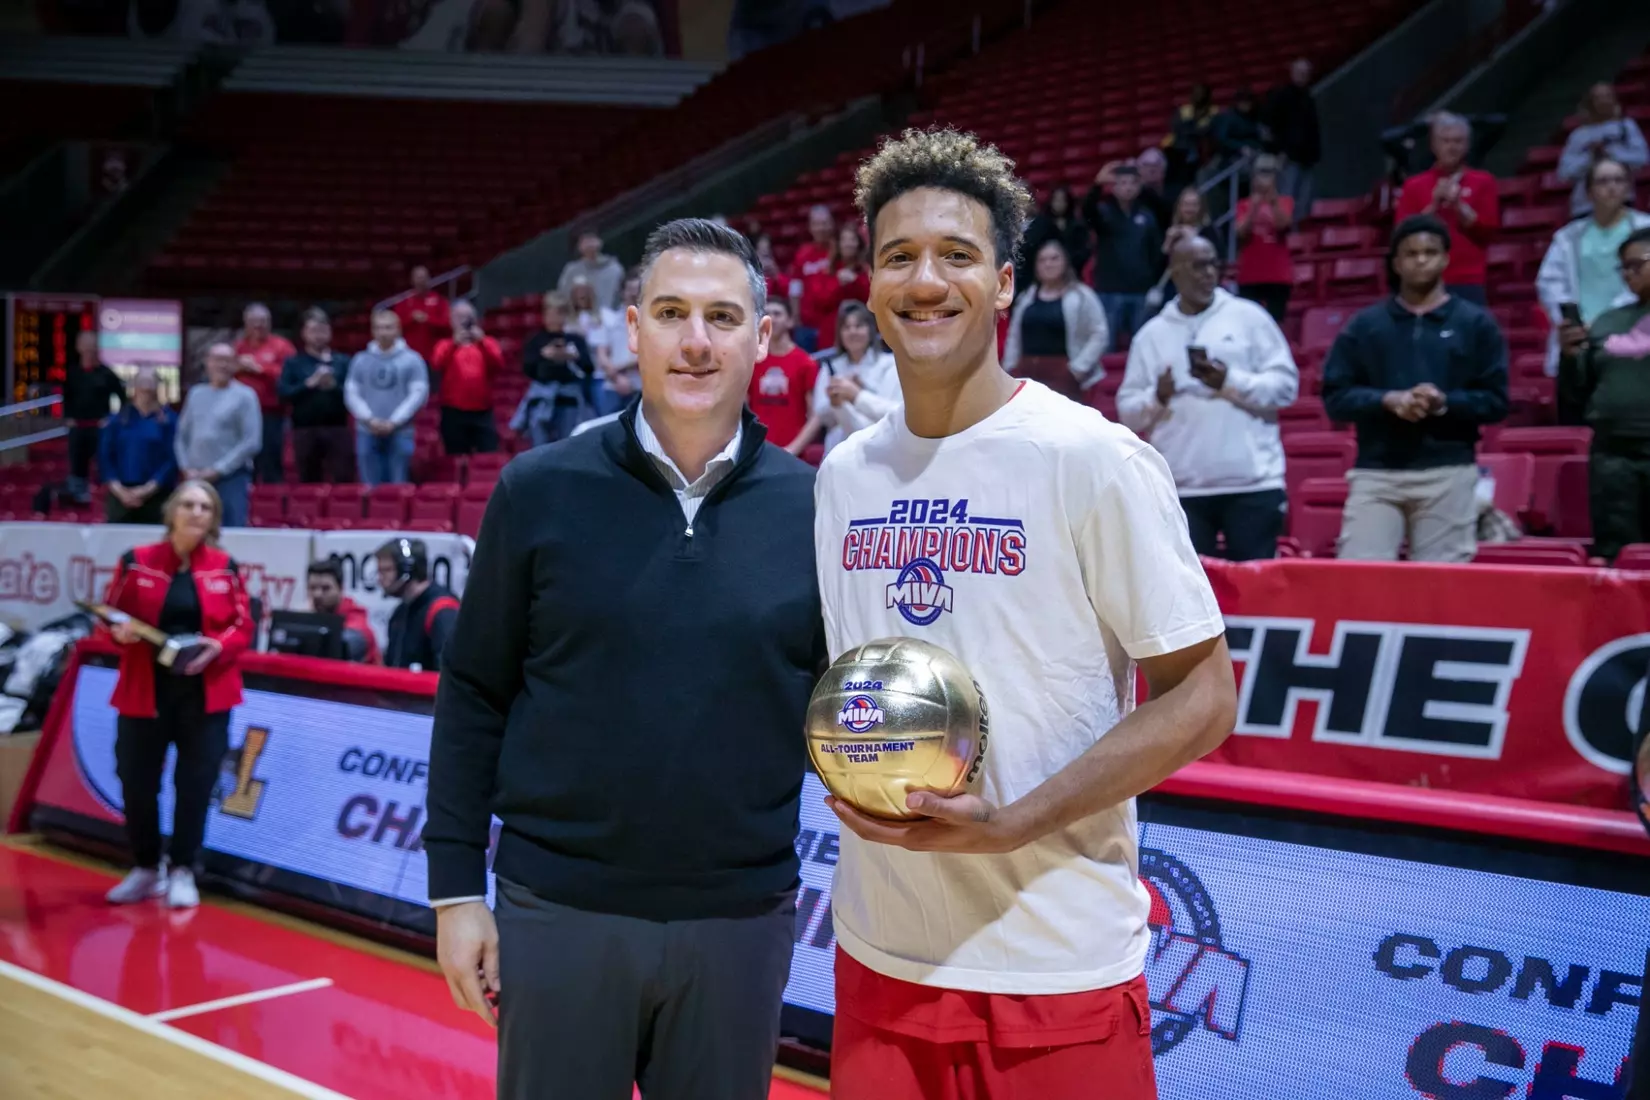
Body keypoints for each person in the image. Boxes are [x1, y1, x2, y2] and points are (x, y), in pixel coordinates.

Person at [819, 127, 1236, 1100]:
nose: (926, 281)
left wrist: (1012, 821)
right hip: (880, 953)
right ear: (872, 286)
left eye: (957, 256)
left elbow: (1204, 697)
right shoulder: (843, 475)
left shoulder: (1090, 457)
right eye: (899, 257)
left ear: (1005, 283)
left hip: (1054, 965)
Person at [424, 218, 823, 1100]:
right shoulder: (538, 489)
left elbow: (841, 711)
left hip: (740, 921)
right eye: (671, 313)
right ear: (632, 328)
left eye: (722, 318)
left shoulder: (819, 508)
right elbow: (474, 693)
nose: (694, 341)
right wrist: (455, 893)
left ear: (763, 339)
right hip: (559, 909)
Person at [101, 480, 253, 909]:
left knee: (196, 783)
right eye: (188, 503)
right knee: (135, 779)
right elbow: (110, 615)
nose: (196, 511)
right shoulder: (136, 562)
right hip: (144, 691)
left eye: (205, 506)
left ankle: (184, 868)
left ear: (214, 517)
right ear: (171, 512)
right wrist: (118, 631)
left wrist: (219, 647)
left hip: (206, 695)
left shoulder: (226, 566)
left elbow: (243, 627)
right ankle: (147, 867)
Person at [1322, 215, 1509, 562]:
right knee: (1360, 583)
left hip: (1448, 471)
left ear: (1445, 258)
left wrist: (1443, 403)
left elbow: (1496, 401)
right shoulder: (1365, 326)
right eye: (1411, 253)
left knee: (1442, 593)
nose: (1421, 259)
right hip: (1376, 472)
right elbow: (1336, 397)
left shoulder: (1475, 323)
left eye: (1430, 251)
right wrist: (1387, 401)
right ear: (1396, 262)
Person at [1118, 236, 1299, 560]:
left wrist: (1229, 381)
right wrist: (1158, 398)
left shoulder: (1251, 318)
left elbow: (1286, 387)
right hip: (1180, 488)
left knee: (1255, 597)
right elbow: (1128, 413)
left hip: (1252, 486)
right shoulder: (1151, 335)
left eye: (1213, 263)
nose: (1209, 273)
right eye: (1198, 265)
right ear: (1175, 272)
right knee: (1184, 599)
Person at [1557, 227, 1650, 562]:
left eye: (1637, 265)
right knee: (1617, 554)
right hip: (1613, 454)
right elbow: (1578, 393)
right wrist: (1570, 358)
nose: (1628, 274)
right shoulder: (1608, 321)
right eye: (1623, 267)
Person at [1536, 158, 1650, 375]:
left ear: (1628, 187)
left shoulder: (1646, 229)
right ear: (1588, 192)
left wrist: (1610, 319)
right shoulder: (1568, 237)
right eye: (1603, 181)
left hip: (1635, 328)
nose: (1612, 187)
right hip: (1583, 333)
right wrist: (1574, 323)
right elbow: (1549, 283)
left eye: (1619, 180)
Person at [1392, 113, 1500, 306]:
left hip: (1468, 279)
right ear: (1434, 145)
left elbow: (1488, 231)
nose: (1451, 147)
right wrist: (1434, 205)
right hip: (1423, 279)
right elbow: (1403, 235)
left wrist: (1458, 205)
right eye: (1445, 141)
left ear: (1467, 145)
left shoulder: (1484, 181)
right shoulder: (1413, 185)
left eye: (1458, 141)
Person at [1002, 238, 1109, 397]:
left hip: (1065, 375)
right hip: (1026, 374)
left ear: (1065, 262)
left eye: (1054, 258)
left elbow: (1099, 334)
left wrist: (1077, 369)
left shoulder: (1082, 295)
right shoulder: (1026, 298)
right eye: (1042, 260)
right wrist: (1009, 367)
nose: (1048, 264)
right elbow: (1014, 335)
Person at [176, 343, 262, 530]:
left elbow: (252, 441)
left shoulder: (246, 396)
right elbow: (181, 436)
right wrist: (185, 468)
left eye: (227, 360)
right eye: (217, 360)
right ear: (207, 363)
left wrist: (218, 470)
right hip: (195, 478)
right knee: (190, 532)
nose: (221, 365)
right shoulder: (195, 394)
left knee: (231, 533)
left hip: (231, 479)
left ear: (234, 364)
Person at [1084, 162, 1163, 351]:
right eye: (1123, 182)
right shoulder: (1103, 212)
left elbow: (1155, 251)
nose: (1127, 187)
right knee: (1105, 348)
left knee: (1144, 346)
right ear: (1114, 187)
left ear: (1139, 186)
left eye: (1132, 183)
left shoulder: (1148, 215)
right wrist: (1097, 185)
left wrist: (1153, 281)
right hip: (1109, 290)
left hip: (1141, 291)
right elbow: (1087, 213)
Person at [346, 311, 429, 486]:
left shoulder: (412, 359)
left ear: (398, 330)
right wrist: (369, 419)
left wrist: (394, 421)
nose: (383, 332)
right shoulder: (360, 360)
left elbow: (418, 394)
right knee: (369, 487)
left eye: (388, 327)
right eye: (378, 327)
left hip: (401, 431)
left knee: (398, 486)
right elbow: (351, 392)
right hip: (367, 431)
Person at [811, 300, 901, 456]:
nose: (853, 332)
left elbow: (893, 413)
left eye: (859, 326)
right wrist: (837, 400)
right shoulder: (830, 367)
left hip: (881, 446)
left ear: (870, 330)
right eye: (846, 327)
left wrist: (858, 391)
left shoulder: (889, 364)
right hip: (839, 447)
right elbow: (822, 415)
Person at [277, 308, 354, 484]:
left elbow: (354, 395)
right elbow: (283, 393)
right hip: (304, 429)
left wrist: (333, 386)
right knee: (308, 480)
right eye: (313, 331)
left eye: (323, 330)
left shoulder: (343, 361)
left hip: (338, 429)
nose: (318, 335)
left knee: (342, 478)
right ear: (304, 333)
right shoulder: (293, 362)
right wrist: (308, 384)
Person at [515, 291, 597, 446]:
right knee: (540, 449)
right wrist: (544, 355)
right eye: (550, 313)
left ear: (566, 315)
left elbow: (589, 368)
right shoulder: (535, 340)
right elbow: (527, 368)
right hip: (542, 401)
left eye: (559, 313)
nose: (554, 318)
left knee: (568, 447)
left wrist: (572, 357)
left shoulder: (575, 340)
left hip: (569, 402)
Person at [1557, 83, 1648, 219]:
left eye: (1608, 96)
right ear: (1590, 102)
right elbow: (1564, 173)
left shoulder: (1626, 127)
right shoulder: (1578, 135)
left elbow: (1642, 158)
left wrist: (1610, 153)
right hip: (1585, 207)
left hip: (1621, 202)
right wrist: (1590, 156)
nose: (1604, 101)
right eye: (1598, 97)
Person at [99, 367, 177, 525]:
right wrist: (120, 491)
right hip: (120, 495)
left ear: (157, 387)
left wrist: (147, 490)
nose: (146, 388)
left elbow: (172, 459)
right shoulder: (116, 420)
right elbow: (105, 457)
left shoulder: (169, 420)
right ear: (133, 386)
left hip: (157, 495)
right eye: (142, 382)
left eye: (150, 383)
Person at [747, 297, 820, 455]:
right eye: (767, 314)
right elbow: (742, 408)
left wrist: (792, 450)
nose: (772, 318)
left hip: (792, 454)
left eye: (778, 313)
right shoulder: (752, 361)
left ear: (790, 321)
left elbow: (815, 416)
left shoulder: (805, 363)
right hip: (755, 452)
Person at [431, 301, 504, 456]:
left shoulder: (487, 343)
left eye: (467, 317)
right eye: (458, 317)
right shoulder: (444, 344)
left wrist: (482, 341)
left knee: (489, 455)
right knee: (455, 458)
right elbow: (437, 364)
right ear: (451, 320)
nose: (463, 321)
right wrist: (454, 344)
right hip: (453, 412)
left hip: (482, 411)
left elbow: (498, 364)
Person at [232, 303, 295, 484]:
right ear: (246, 323)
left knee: (271, 461)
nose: (258, 325)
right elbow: (223, 374)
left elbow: (290, 376)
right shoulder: (238, 347)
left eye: (263, 321)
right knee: (243, 460)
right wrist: (237, 367)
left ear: (270, 323)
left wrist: (259, 369)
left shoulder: (282, 346)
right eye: (253, 321)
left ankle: (273, 503)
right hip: (240, 415)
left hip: (271, 414)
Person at [375, 538, 459, 672]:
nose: (380, 578)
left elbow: (448, 676)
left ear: (407, 569)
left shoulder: (442, 611)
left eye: (386, 570)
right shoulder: (399, 614)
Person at [61, 329, 125, 502]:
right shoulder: (72, 372)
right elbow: (66, 398)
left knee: (104, 461)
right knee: (77, 463)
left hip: (100, 427)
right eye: (85, 345)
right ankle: (78, 497)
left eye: (92, 345)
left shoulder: (107, 374)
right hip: (78, 427)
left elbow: (123, 398)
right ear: (78, 347)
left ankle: (106, 496)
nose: (89, 349)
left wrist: (113, 420)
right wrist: (68, 418)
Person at [1233, 155, 1297, 323]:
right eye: (1261, 174)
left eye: (1269, 175)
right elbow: (1240, 233)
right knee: (1248, 324)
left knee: (1275, 325)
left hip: (1278, 275)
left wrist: (1273, 202)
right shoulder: (1243, 204)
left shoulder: (1285, 202)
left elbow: (1283, 226)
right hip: (1249, 275)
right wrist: (1254, 207)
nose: (1264, 179)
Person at [1266, 58, 1321, 212]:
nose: (1303, 75)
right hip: (1288, 158)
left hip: (1308, 158)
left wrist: (1316, 154)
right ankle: (1287, 234)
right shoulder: (1281, 96)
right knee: (1287, 199)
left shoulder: (1309, 98)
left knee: (1305, 201)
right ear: (1292, 73)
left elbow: (1312, 129)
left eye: (1306, 73)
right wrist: (1279, 151)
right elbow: (1271, 126)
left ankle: (1301, 235)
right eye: (1300, 72)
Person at [1018, 185, 1092, 293]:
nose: (1059, 204)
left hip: (1073, 277)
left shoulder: (1077, 226)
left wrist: (1067, 262)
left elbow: (1084, 251)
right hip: (1040, 279)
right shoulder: (1040, 224)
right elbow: (1028, 249)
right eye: (1056, 200)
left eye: (1063, 200)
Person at [306, 557, 379, 664]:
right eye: (312, 588)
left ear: (341, 588)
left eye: (325, 588)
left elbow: (343, 645)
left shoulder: (357, 621)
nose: (317, 594)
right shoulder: (312, 617)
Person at [789, 203, 838, 351]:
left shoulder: (839, 251)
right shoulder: (802, 254)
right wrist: (796, 317)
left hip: (835, 326)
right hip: (807, 326)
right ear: (810, 227)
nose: (821, 228)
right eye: (816, 224)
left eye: (824, 223)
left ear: (832, 224)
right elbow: (795, 288)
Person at [393, 265, 452, 362]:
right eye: (418, 277)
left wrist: (428, 319)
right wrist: (411, 318)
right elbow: (395, 325)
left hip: (434, 354)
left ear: (429, 279)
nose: (421, 281)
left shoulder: (440, 301)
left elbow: (447, 324)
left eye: (424, 277)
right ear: (412, 280)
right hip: (409, 354)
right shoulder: (403, 302)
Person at [557, 229, 626, 310]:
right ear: (578, 246)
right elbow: (563, 295)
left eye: (592, 239)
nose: (589, 244)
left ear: (600, 242)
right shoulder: (571, 270)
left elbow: (622, 295)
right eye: (585, 241)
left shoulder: (614, 268)